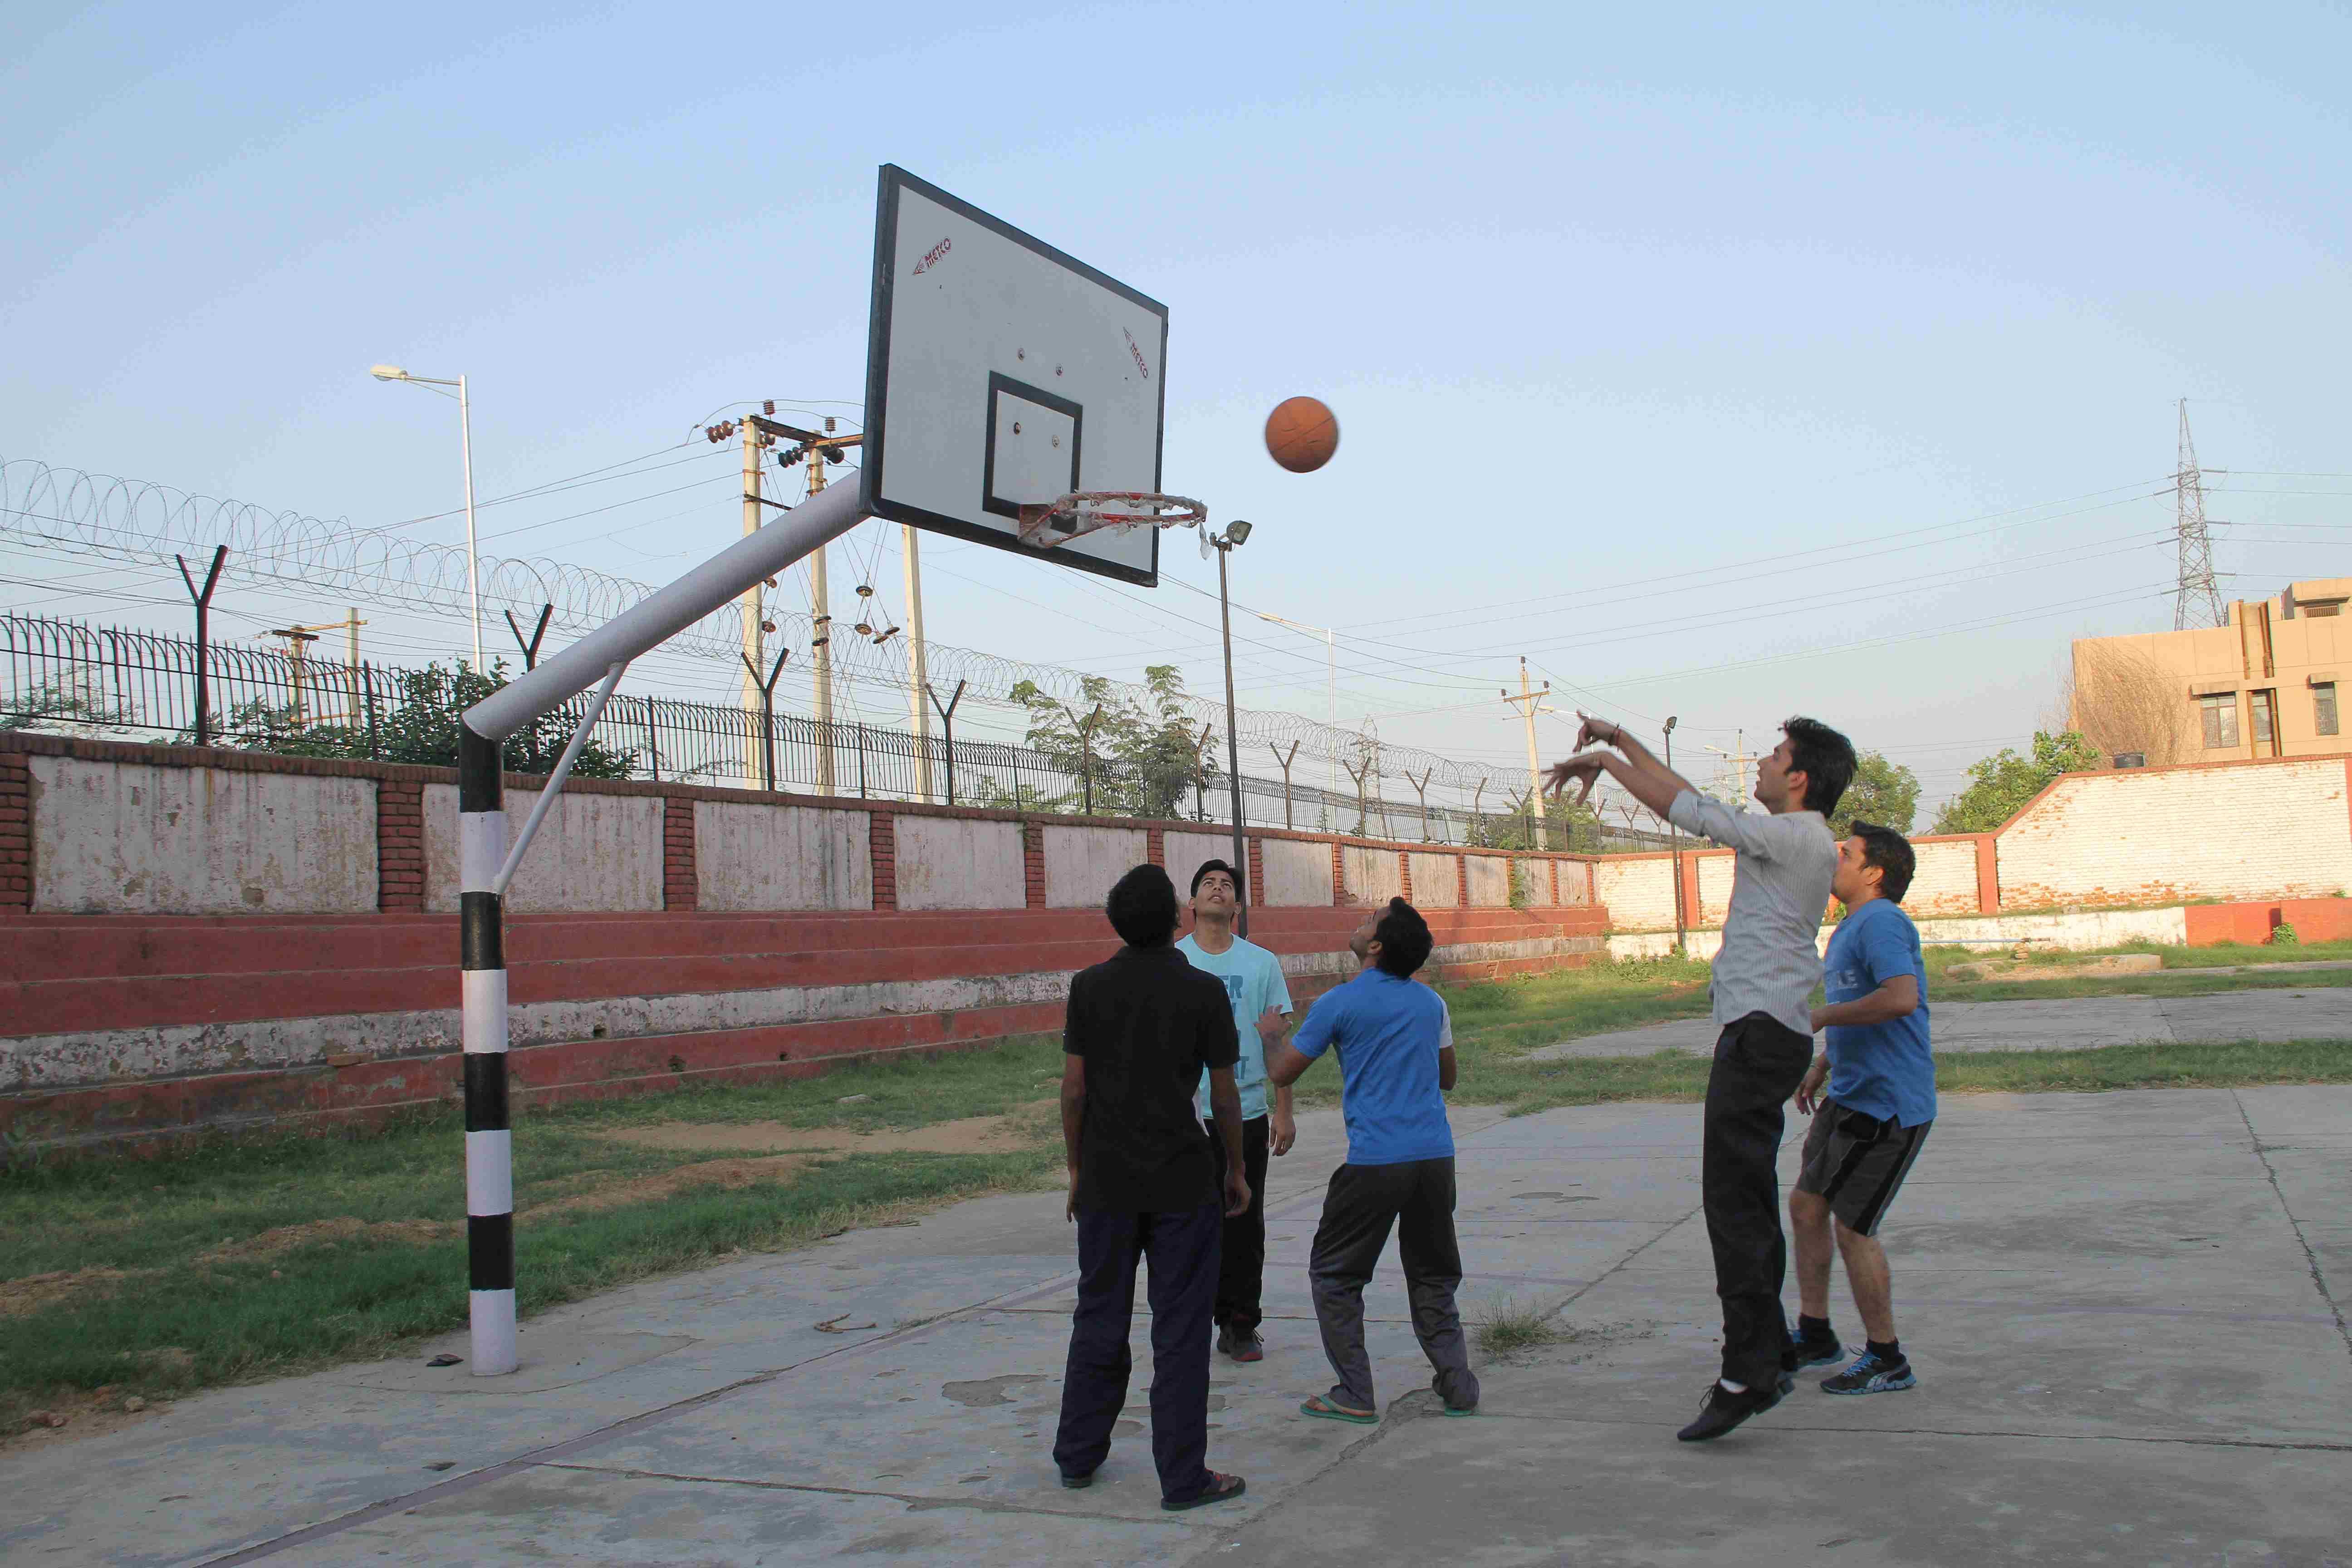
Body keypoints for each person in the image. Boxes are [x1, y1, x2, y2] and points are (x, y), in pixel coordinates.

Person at [1547, 714, 1854, 1441]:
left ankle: (1746, 1373)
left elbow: (1684, 810)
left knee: (1733, 1210)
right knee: (1745, 1200)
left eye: (1776, 755)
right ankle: (1774, 1348)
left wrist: (1603, 763)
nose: (1764, 761)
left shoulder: (1794, 835)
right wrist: (1622, 743)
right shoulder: (1798, 837)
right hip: (1766, 1031)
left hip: (1756, 1036)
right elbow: (1688, 795)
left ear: (1800, 777)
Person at [1053, 863, 1253, 1511]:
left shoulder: (1088, 988)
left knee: (1099, 1317)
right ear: (1175, 921)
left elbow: (1075, 1090)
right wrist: (1236, 1169)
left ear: (1117, 921)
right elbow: (1224, 1097)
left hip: (1108, 1182)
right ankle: (1183, 1477)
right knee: (1181, 1330)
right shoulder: (1203, 991)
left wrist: (1078, 1169)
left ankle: (1078, 1458)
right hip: (1182, 1181)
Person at [1266, 897, 1478, 1425]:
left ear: (1376, 947)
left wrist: (1270, 1033)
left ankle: (1355, 1393)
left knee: (1335, 1274)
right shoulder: (1431, 1005)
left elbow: (1284, 1072)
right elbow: (1447, 1078)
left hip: (1376, 1162)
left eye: (1369, 922)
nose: (1360, 926)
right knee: (1433, 1275)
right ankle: (1457, 1383)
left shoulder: (1340, 1003)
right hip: (1435, 1157)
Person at [1789, 823, 1935, 1396]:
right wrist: (1826, 1062)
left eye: (1846, 853)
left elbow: (1900, 998)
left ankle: (1887, 1358)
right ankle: (1816, 1333)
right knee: (1805, 1207)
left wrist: (1823, 1018)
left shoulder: (1882, 922)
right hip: (1849, 1094)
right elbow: (1863, 1001)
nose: (1836, 858)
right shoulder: (1851, 927)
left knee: (1854, 1229)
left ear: (1874, 873)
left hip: (1889, 1108)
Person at [1179, 858, 1297, 1364]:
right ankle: (1188, 1321)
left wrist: (1284, 1108)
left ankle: (1240, 1324)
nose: (1218, 889)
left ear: (1239, 906)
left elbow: (1278, 1041)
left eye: (1227, 885)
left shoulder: (1262, 964)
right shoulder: (1175, 962)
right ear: (1192, 904)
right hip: (1185, 1117)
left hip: (1247, 1112)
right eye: (1208, 884)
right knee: (1186, 1224)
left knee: (1245, 1225)